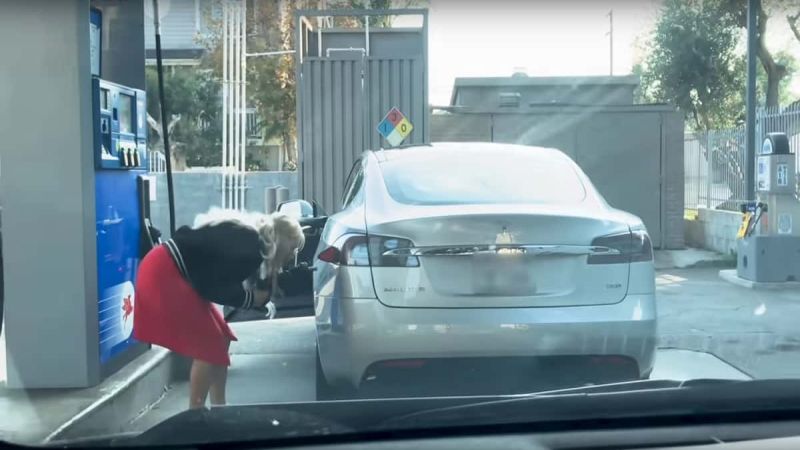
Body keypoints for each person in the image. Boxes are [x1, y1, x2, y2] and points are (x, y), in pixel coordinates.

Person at [134, 214, 280, 409]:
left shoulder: (250, 239)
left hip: (167, 266)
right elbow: (216, 288)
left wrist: (255, 298)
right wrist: (252, 300)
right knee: (209, 343)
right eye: (293, 249)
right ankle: (196, 413)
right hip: (167, 271)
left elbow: (218, 278)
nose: (293, 257)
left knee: (222, 337)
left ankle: (219, 406)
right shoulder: (252, 251)